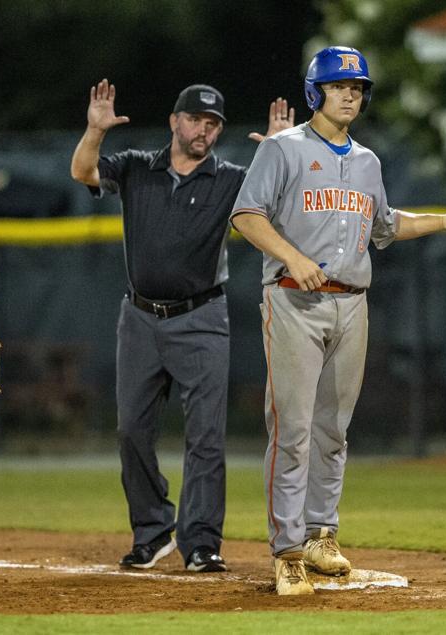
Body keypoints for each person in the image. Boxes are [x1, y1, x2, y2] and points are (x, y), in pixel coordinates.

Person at [229, 46, 446, 596]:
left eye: (358, 87)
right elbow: (246, 214)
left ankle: (322, 534)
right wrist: (293, 257)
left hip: (352, 304)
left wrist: (445, 220)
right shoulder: (283, 148)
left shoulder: (367, 161)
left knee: (333, 430)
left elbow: (386, 226)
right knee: (292, 430)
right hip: (293, 299)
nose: (350, 93)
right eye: (340, 85)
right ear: (315, 92)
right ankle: (287, 550)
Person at [70, 80, 293, 573]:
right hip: (141, 318)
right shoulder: (134, 167)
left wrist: (281, 151)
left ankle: (201, 543)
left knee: (207, 436)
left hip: (202, 318)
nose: (204, 130)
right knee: (131, 430)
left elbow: (280, 201)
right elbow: (83, 170)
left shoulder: (233, 178)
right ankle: (152, 532)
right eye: (196, 119)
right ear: (175, 121)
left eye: (213, 124)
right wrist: (94, 130)